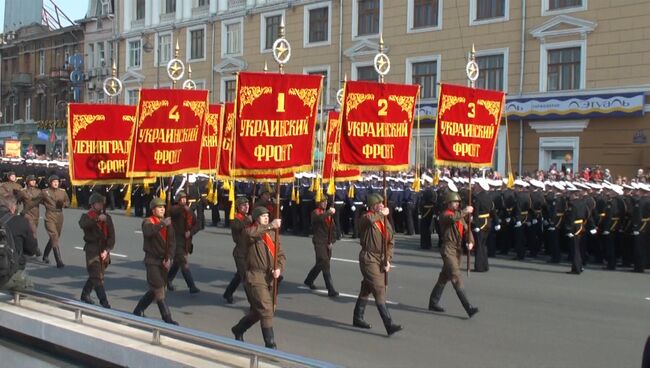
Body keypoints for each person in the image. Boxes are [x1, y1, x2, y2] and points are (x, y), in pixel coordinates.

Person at [231, 206, 285, 349]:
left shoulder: (273, 234)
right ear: (256, 218)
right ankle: (270, 345)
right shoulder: (249, 231)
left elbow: (280, 255)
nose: (266, 217)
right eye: (263, 216)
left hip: (270, 277)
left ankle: (239, 329)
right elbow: (250, 234)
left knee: (259, 311)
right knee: (266, 309)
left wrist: (279, 268)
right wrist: (269, 226)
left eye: (268, 215)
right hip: (255, 275)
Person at [352, 193, 403, 336]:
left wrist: (388, 259)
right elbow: (369, 221)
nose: (382, 205)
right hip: (368, 257)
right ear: (373, 206)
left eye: (382, 203)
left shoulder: (384, 220)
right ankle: (389, 324)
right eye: (379, 203)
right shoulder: (366, 217)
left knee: (367, 288)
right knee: (379, 288)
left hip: (381, 257)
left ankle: (357, 317)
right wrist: (381, 214)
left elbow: (391, 241)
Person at [428, 191, 479, 318]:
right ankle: (468, 307)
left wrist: (470, 241)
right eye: (454, 203)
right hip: (448, 249)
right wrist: (466, 211)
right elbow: (452, 218)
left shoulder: (459, 216)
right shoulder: (445, 215)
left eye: (457, 203)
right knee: (456, 277)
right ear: (448, 204)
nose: (456, 204)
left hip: (457, 250)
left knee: (444, 277)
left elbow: (467, 230)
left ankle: (433, 302)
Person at [133, 198, 178, 325]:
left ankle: (138, 309)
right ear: (153, 210)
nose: (162, 209)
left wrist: (169, 258)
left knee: (155, 289)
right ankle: (167, 317)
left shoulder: (168, 224)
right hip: (152, 260)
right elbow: (148, 232)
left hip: (164, 261)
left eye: (163, 207)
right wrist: (163, 224)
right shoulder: (148, 222)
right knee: (159, 288)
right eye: (159, 207)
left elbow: (172, 243)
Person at [78, 193, 115, 308]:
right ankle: (104, 302)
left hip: (103, 250)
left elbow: (112, 236)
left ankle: (85, 294)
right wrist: (97, 219)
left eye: (101, 203)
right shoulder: (87, 216)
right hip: (92, 249)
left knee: (98, 275)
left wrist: (107, 250)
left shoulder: (107, 218)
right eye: (98, 203)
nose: (101, 205)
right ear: (93, 204)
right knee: (97, 276)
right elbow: (83, 225)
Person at [0, 197, 38, 291]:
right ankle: (18, 303)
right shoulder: (20, 221)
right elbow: (32, 249)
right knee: (27, 286)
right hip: (9, 273)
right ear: (12, 208)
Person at [303, 195, 339, 297]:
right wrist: (328, 212)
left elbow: (333, 229)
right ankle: (330, 289)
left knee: (320, 263)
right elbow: (318, 219)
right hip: (319, 241)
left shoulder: (328, 214)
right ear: (318, 203)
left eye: (326, 201)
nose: (325, 203)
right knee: (325, 263)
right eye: (322, 202)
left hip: (328, 243)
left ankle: (309, 280)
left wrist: (332, 241)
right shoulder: (315, 213)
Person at [167, 191, 201, 293]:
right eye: (182, 199)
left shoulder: (189, 210)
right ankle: (191, 286)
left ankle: (167, 279)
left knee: (177, 262)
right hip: (176, 240)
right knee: (183, 262)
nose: (184, 200)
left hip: (186, 241)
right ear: (177, 200)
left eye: (185, 198)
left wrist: (190, 232)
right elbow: (172, 212)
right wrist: (184, 208)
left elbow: (197, 224)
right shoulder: (174, 209)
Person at [223, 197, 252, 304]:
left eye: (247, 205)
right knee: (246, 278)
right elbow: (238, 227)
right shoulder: (236, 219)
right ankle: (253, 303)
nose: (247, 207)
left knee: (239, 275)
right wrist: (247, 221)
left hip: (249, 252)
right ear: (238, 207)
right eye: (244, 205)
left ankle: (228, 293)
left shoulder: (247, 218)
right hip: (240, 252)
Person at [41, 175, 70, 268]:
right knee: (54, 236)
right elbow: (36, 200)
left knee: (55, 237)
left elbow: (68, 203)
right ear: (50, 183)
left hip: (60, 216)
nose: (56, 183)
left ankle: (45, 255)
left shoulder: (62, 192)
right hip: (49, 215)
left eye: (57, 181)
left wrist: (63, 204)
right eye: (54, 181)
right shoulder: (44, 192)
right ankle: (59, 261)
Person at [20, 174, 43, 253]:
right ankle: (36, 248)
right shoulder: (23, 191)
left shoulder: (39, 191)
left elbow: (44, 202)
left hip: (36, 214)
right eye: (31, 180)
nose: (33, 181)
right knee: (33, 231)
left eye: (34, 180)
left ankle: (24, 247)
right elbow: (16, 200)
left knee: (30, 232)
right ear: (27, 182)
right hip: (27, 214)